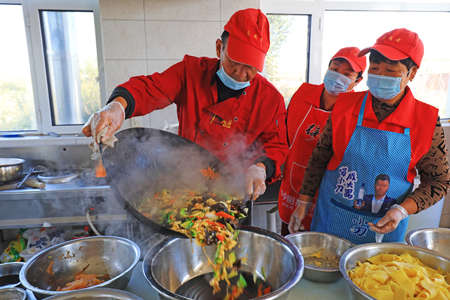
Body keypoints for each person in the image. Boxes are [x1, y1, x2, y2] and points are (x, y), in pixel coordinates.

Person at [82, 8, 288, 201]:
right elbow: (149, 89)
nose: (241, 74)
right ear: (219, 48)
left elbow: (277, 145)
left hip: (233, 194)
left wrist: (261, 167)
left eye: (250, 68)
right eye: (234, 63)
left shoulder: (270, 99)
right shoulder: (190, 73)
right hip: (184, 185)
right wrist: (118, 106)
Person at [288, 28, 449, 244]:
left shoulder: (426, 120)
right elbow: (320, 157)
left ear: (411, 74)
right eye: (374, 69)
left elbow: (439, 181)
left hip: (383, 231)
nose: (380, 76)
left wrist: (402, 210)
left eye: (391, 71)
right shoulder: (345, 105)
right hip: (331, 221)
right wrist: (303, 203)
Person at [279, 47, 366, 235]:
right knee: (289, 241)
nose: (338, 77)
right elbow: (283, 135)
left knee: (320, 247)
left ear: (357, 80)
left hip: (329, 189)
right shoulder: (303, 94)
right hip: (294, 182)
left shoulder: (357, 109)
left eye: (347, 74)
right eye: (334, 69)